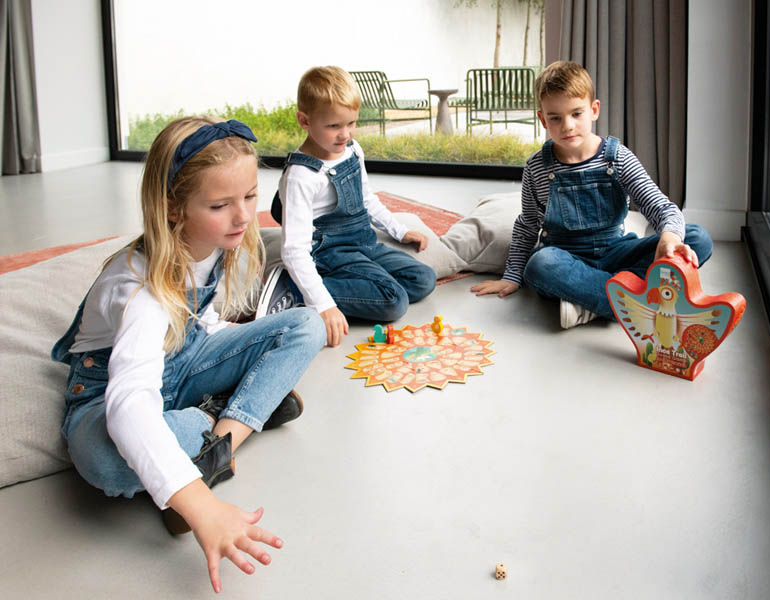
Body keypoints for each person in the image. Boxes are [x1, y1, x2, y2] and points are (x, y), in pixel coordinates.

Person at [51, 116, 327, 593]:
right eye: (221, 205)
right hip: (107, 393)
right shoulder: (140, 288)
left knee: (306, 324)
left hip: (185, 358)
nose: (243, 217)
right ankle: (217, 419)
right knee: (101, 460)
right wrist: (199, 505)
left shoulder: (217, 240)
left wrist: (232, 349)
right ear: (173, 209)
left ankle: (220, 440)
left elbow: (204, 321)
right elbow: (129, 404)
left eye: (250, 197)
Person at [471, 61, 713, 328]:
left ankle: (593, 303)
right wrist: (512, 275)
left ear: (593, 110)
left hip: (617, 252)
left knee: (697, 238)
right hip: (566, 257)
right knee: (540, 265)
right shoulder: (536, 167)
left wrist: (669, 236)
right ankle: (636, 303)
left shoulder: (618, 158)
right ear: (542, 119)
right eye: (555, 118)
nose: (567, 126)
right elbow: (527, 226)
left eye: (576, 113)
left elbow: (660, 206)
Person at [258, 65, 436, 347]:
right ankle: (293, 290)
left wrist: (400, 231)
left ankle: (356, 286)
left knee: (423, 279)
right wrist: (324, 305)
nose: (345, 134)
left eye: (351, 123)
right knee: (394, 301)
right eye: (333, 126)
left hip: (363, 242)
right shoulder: (301, 176)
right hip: (329, 253)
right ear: (304, 120)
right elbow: (294, 249)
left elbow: (366, 199)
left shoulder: (352, 150)